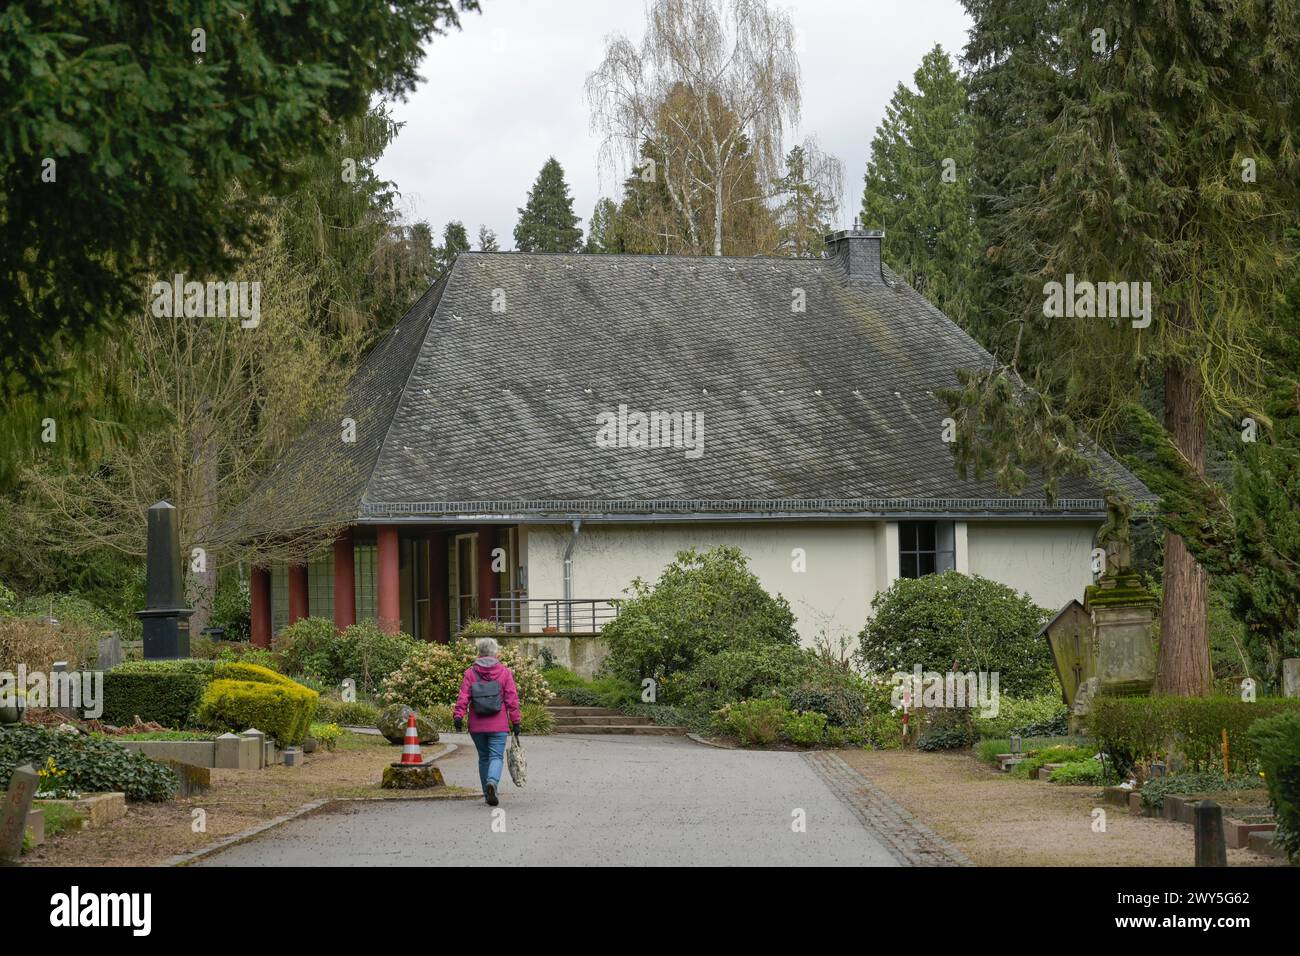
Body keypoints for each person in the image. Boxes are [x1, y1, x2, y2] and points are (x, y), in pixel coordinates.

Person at [453, 637, 522, 806]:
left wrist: (458, 716)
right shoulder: (504, 672)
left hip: (477, 725)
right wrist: (516, 721)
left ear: (480, 652)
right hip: (498, 724)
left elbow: (463, 696)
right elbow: (511, 698)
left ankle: (487, 794)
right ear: (495, 652)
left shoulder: (471, 673)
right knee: (496, 756)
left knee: (484, 757)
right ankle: (492, 782)